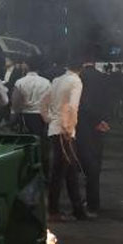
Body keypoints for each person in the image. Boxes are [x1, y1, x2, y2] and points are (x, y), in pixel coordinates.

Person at [43, 60, 86, 221]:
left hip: (54, 128)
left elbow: (44, 103)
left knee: (69, 171)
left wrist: (50, 119)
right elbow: (73, 107)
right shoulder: (76, 81)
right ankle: (53, 211)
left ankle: (77, 209)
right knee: (60, 171)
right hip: (65, 131)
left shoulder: (56, 80)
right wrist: (68, 128)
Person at [78, 62, 113, 218]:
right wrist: (104, 120)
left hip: (84, 126)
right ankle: (94, 202)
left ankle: (89, 204)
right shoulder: (103, 78)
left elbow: (83, 103)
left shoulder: (80, 77)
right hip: (100, 126)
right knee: (96, 164)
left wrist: (95, 120)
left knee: (84, 165)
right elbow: (109, 100)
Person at [11, 57, 52, 140]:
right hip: (41, 116)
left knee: (26, 140)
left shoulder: (20, 82)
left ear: (27, 66)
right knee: (41, 140)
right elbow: (50, 101)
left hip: (25, 116)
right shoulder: (46, 82)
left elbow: (15, 102)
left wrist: (14, 115)